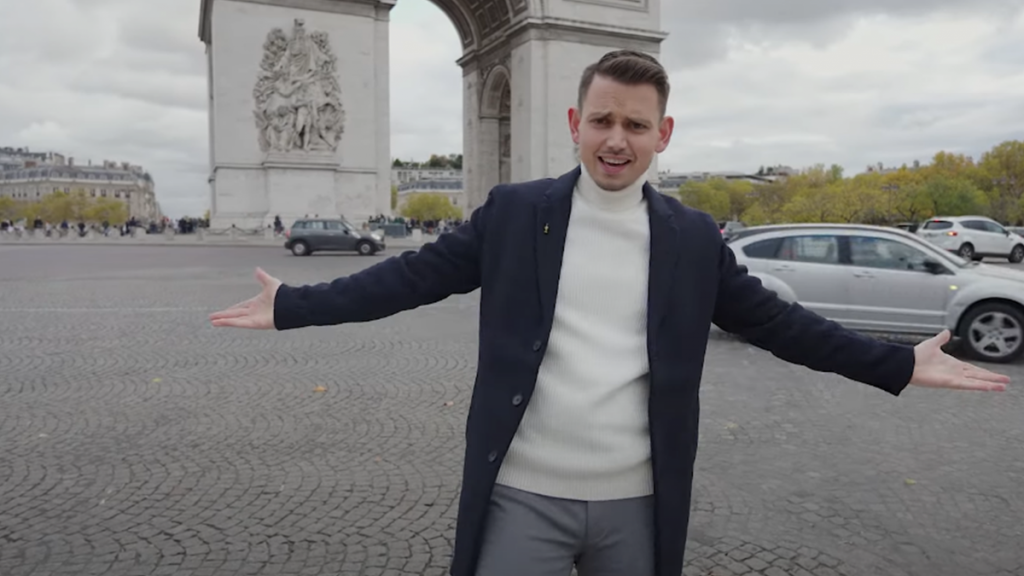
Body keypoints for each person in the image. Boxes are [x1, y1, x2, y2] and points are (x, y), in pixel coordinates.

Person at [209, 50, 1009, 576]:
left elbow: (779, 325)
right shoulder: (514, 214)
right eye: (602, 121)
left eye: (634, 124)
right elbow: (410, 278)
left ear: (663, 134)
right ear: (574, 125)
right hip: (520, 493)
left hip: (641, 502)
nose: (616, 139)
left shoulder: (693, 237)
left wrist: (899, 362)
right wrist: (293, 307)